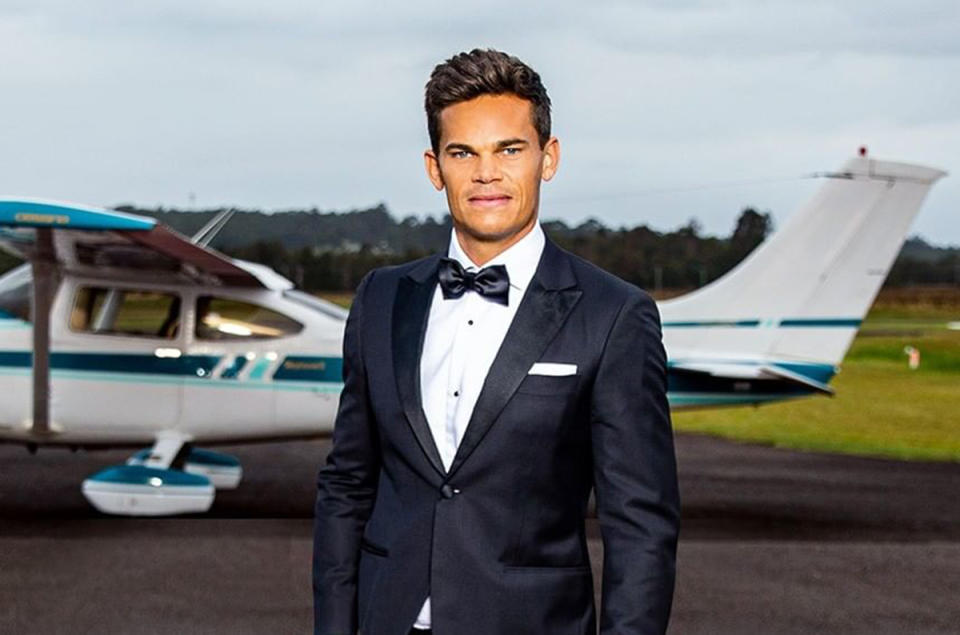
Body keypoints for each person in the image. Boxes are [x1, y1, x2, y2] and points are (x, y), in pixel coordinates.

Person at [313, 48, 680, 635]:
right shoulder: (380, 299)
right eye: (464, 153)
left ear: (547, 157)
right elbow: (346, 486)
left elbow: (639, 523)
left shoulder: (615, 315)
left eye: (509, 150)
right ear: (436, 168)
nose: (487, 173)